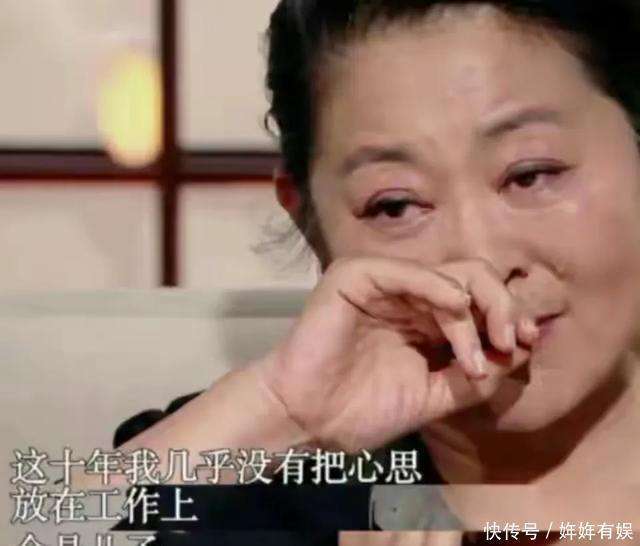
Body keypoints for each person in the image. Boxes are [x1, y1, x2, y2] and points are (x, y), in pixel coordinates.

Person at [109, 0, 640, 543]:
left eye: (531, 174)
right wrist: (278, 410)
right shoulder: (244, 478)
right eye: (395, 206)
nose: (481, 260)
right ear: (310, 224)